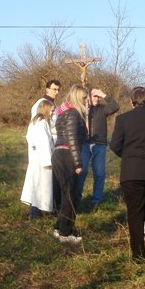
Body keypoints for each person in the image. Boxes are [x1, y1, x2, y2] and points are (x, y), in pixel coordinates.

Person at [110, 87, 145, 263]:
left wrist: (129, 157)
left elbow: (115, 145)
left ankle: (137, 256)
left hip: (131, 171)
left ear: (131, 101)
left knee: (135, 213)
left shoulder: (123, 119)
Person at [52, 84, 89, 243]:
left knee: (65, 193)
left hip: (59, 154)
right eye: (85, 98)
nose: (87, 101)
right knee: (70, 195)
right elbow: (72, 140)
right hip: (67, 155)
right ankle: (65, 234)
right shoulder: (73, 114)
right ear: (78, 98)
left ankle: (59, 227)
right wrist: (78, 163)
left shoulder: (63, 113)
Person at [77, 87, 119, 209]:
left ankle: (96, 200)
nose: (97, 98)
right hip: (84, 144)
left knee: (99, 173)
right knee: (82, 171)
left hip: (99, 144)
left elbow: (115, 106)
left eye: (98, 97)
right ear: (88, 97)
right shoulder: (83, 109)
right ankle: (77, 198)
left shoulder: (103, 109)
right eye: (94, 96)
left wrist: (103, 94)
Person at [20, 100, 55, 218]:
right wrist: (49, 161)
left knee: (35, 186)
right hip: (42, 161)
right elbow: (44, 142)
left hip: (35, 159)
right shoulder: (43, 123)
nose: (53, 113)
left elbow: (30, 138)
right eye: (52, 110)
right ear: (46, 109)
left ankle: (34, 213)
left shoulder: (34, 121)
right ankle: (35, 214)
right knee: (41, 187)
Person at [31, 79, 62, 211]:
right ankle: (37, 210)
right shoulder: (41, 104)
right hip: (43, 147)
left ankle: (49, 207)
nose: (56, 92)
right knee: (41, 180)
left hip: (52, 143)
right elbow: (37, 125)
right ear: (47, 89)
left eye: (58, 90)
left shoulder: (53, 104)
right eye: (54, 89)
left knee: (50, 180)